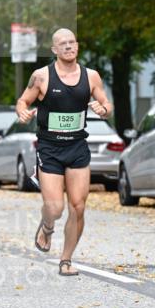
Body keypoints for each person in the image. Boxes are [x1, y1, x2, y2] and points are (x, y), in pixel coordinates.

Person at [15, 28, 113, 276]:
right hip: (49, 149)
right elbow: (22, 101)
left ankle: (66, 260)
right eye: (63, 44)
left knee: (78, 206)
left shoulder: (91, 76)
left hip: (77, 147)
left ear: (77, 46)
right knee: (55, 207)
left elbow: (107, 104)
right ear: (54, 50)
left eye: (72, 42)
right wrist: (23, 112)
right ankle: (47, 227)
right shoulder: (41, 77)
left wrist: (104, 109)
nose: (68, 47)